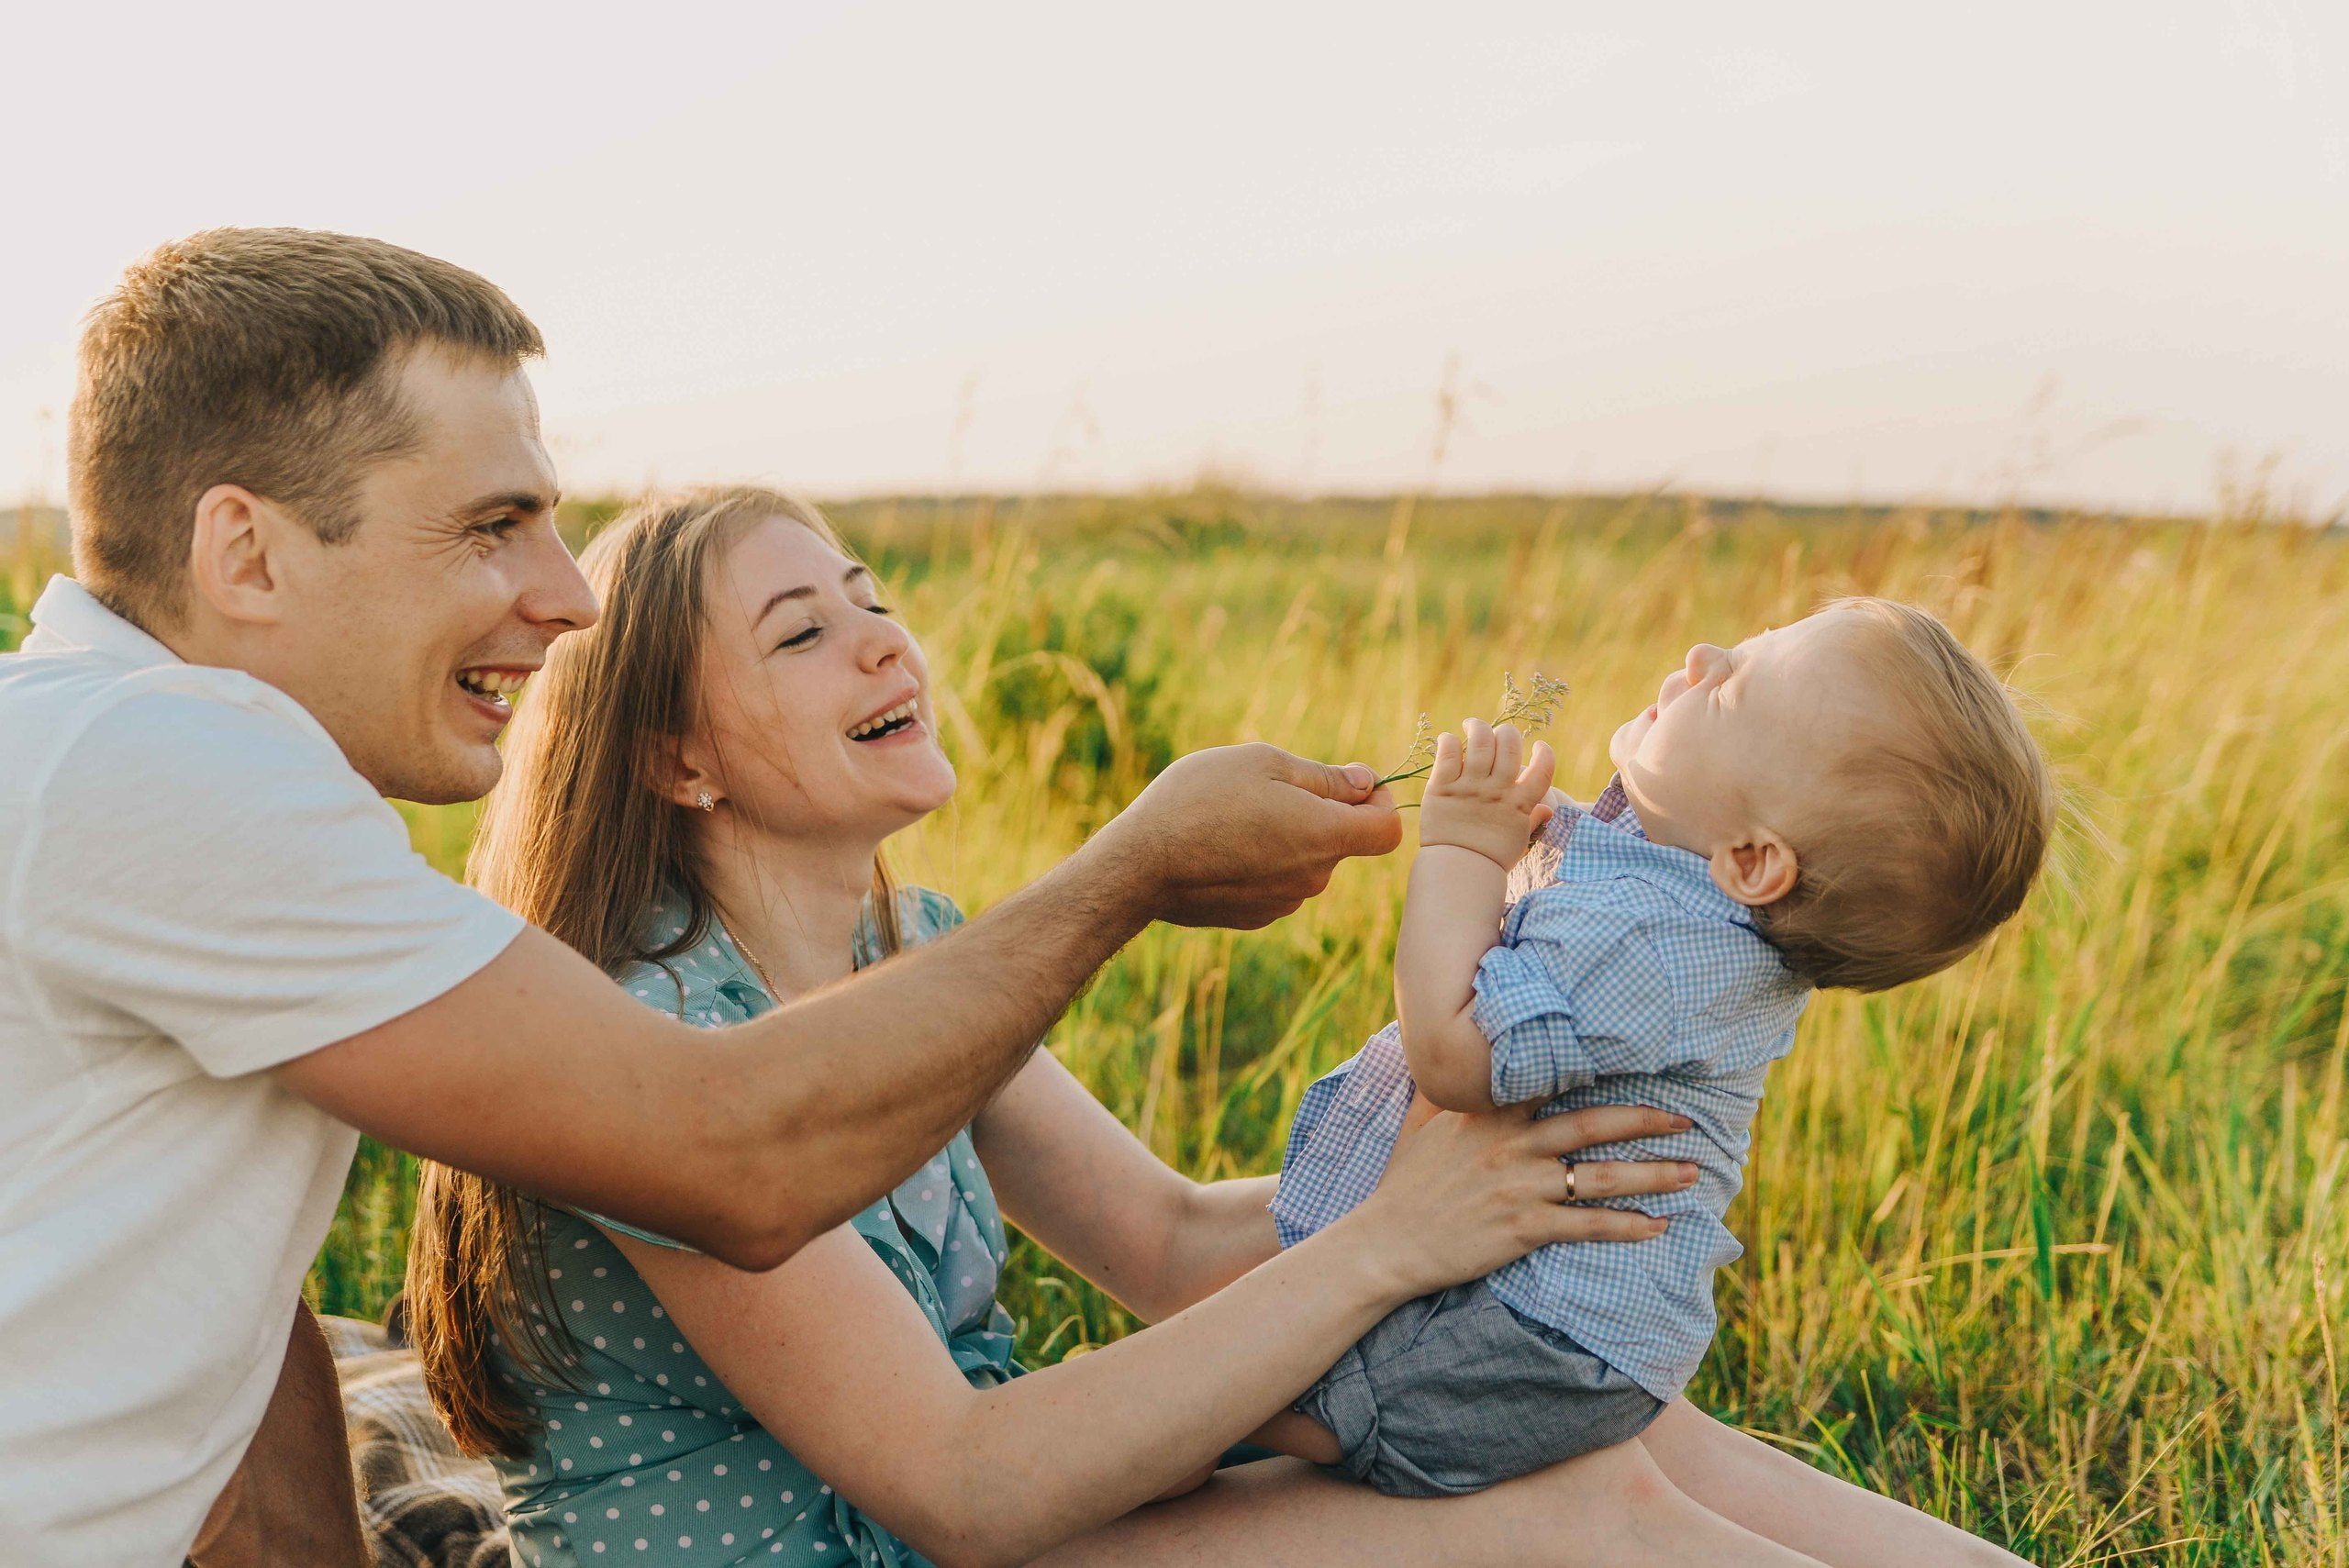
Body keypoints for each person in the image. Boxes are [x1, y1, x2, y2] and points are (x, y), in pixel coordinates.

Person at [0, 228, 1418, 1568]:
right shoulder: (163, 766)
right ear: (246, 554)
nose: (568, 598)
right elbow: (728, 1156)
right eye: (491, 527)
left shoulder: (107, 759)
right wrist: (1135, 866)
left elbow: (232, 1323)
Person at [405, 485, 1837, 1568]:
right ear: (679, 761)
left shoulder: (908, 953)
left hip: (954, 1519)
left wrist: (1496, 1183)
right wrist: (1397, 1237)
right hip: (866, 1538)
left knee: (1616, 1440)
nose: (882, 640)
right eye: (804, 632)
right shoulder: (649, 1040)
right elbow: (963, 1485)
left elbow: (1163, 1239)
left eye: (869, 598)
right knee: (1566, 1518)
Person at [1252, 601, 2053, 1562]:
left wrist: (1462, 849)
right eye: (1741, 647)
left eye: (1734, 688)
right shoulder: (1684, 892)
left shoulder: (1651, 947)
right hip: (1572, 1327)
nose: (1703, 654)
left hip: (1527, 1336)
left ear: (1752, 860)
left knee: (1294, 1412)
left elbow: (1453, 1052)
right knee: (1271, 1392)